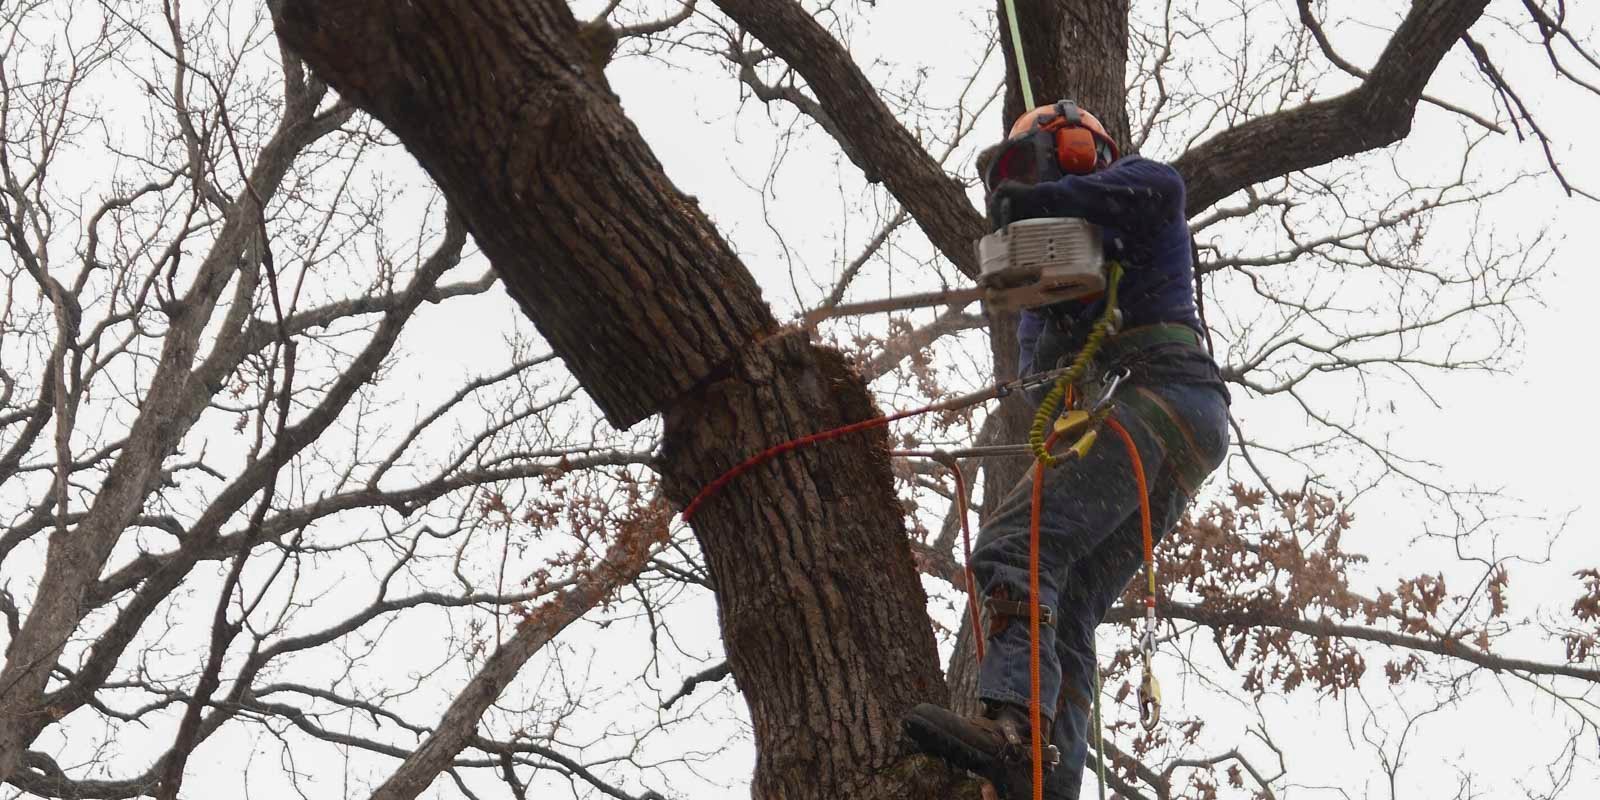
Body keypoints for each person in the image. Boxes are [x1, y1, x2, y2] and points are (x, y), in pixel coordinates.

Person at [903, 101, 1231, 799]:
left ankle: (1012, 728)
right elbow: (1037, 375)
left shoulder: (1140, 194)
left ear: (1080, 153)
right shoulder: (1052, 284)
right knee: (1073, 600)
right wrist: (1048, 303)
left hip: (1163, 394)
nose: (1020, 190)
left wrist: (1047, 198)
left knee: (1012, 544)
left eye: (1029, 169)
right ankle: (1049, 782)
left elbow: (1163, 188)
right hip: (1180, 425)